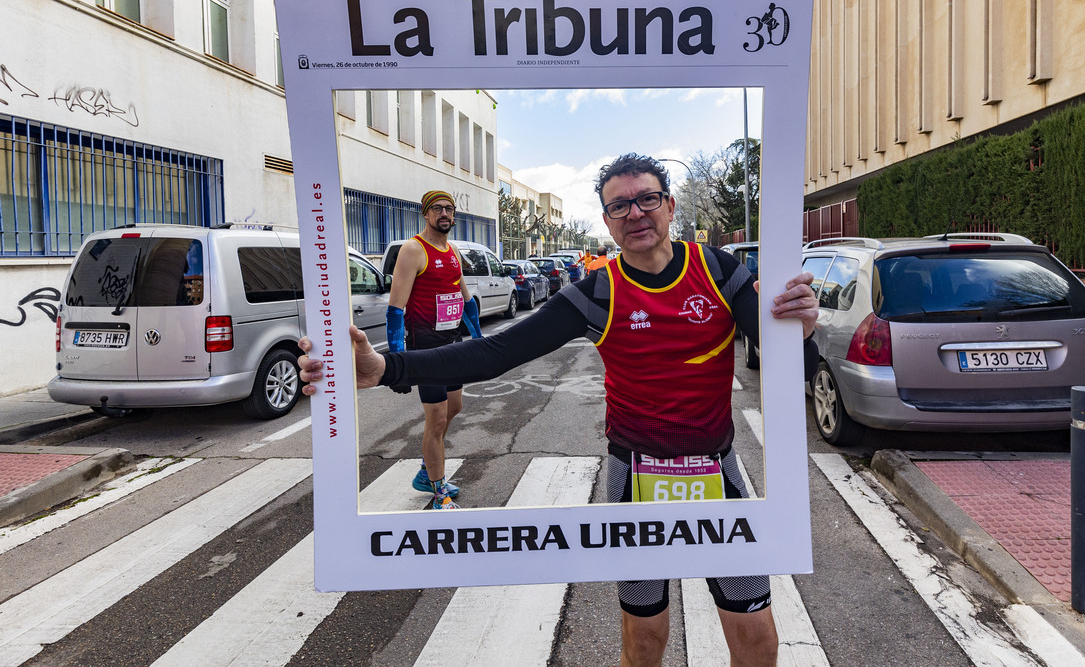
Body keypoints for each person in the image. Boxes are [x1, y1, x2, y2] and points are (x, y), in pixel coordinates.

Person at [300, 154, 819, 666]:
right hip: (635, 474)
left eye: (647, 199)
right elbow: (496, 352)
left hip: (716, 470)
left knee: (757, 638)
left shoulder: (719, 268)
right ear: (607, 222)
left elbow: (789, 360)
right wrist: (388, 368)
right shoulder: (597, 291)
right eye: (620, 206)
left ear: (669, 205)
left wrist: (805, 331)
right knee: (645, 640)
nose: (636, 213)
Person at [385, 189, 484, 510]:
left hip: (452, 346)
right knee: (438, 418)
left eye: (449, 209)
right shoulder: (413, 250)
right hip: (424, 350)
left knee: (454, 407)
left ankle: (428, 471)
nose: (445, 214)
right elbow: (396, 309)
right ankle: (439, 491)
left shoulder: (453, 250)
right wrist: (399, 362)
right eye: (438, 209)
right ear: (425, 214)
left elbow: (466, 300)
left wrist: (479, 340)